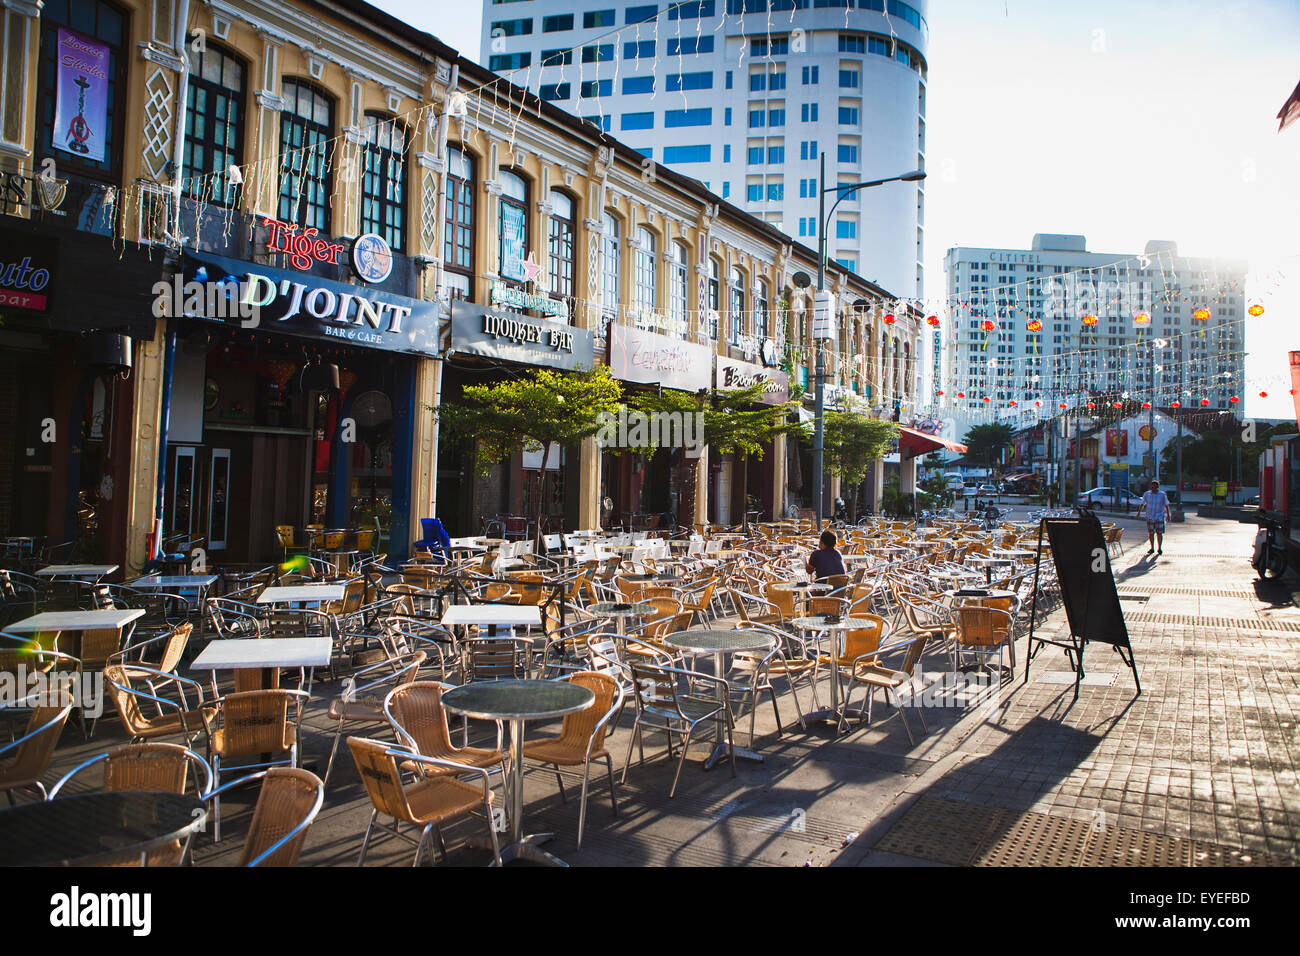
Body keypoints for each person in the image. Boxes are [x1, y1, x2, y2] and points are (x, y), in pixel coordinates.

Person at [1137, 479, 1170, 556]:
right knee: (1151, 533)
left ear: (1157, 487)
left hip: (1159, 516)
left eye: (1155, 487)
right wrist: (1139, 512)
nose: (1153, 489)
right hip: (1150, 516)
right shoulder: (1147, 494)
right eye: (1152, 487)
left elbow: (1166, 505)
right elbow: (1142, 504)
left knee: (1159, 533)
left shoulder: (1162, 495)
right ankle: (1152, 547)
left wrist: (1168, 515)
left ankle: (1159, 548)